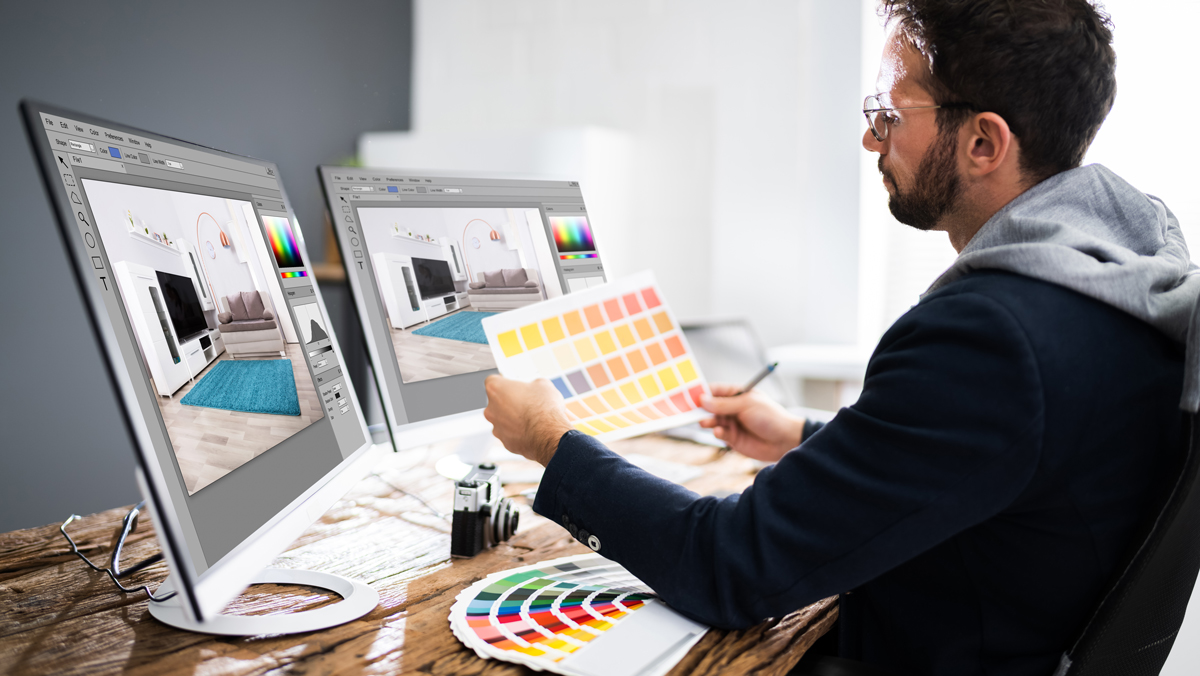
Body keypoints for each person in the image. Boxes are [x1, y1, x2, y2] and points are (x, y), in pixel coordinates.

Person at [482, 1, 1200, 674]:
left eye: (890, 113)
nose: (870, 137)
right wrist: (802, 434)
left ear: (983, 142)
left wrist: (554, 441)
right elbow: (992, 455)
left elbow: (728, 566)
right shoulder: (1118, 285)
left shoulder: (995, 333)